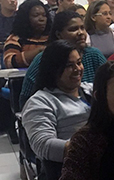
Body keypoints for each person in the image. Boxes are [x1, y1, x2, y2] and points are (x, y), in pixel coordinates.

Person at [22, 40, 91, 175]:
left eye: (79, 62)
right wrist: (89, 148)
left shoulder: (91, 90)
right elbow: (43, 145)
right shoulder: (40, 102)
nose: (77, 69)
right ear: (53, 69)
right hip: (70, 170)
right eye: (69, 65)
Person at [19, 11, 106, 111]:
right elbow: (26, 99)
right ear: (59, 35)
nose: (81, 33)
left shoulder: (94, 54)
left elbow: (110, 85)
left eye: (82, 28)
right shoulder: (45, 58)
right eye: (73, 29)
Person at [3, 0, 51, 68]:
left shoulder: (51, 37)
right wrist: (39, 51)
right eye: (36, 15)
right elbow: (9, 62)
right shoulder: (15, 38)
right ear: (25, 18)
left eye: (44, 15)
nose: (42, 19)